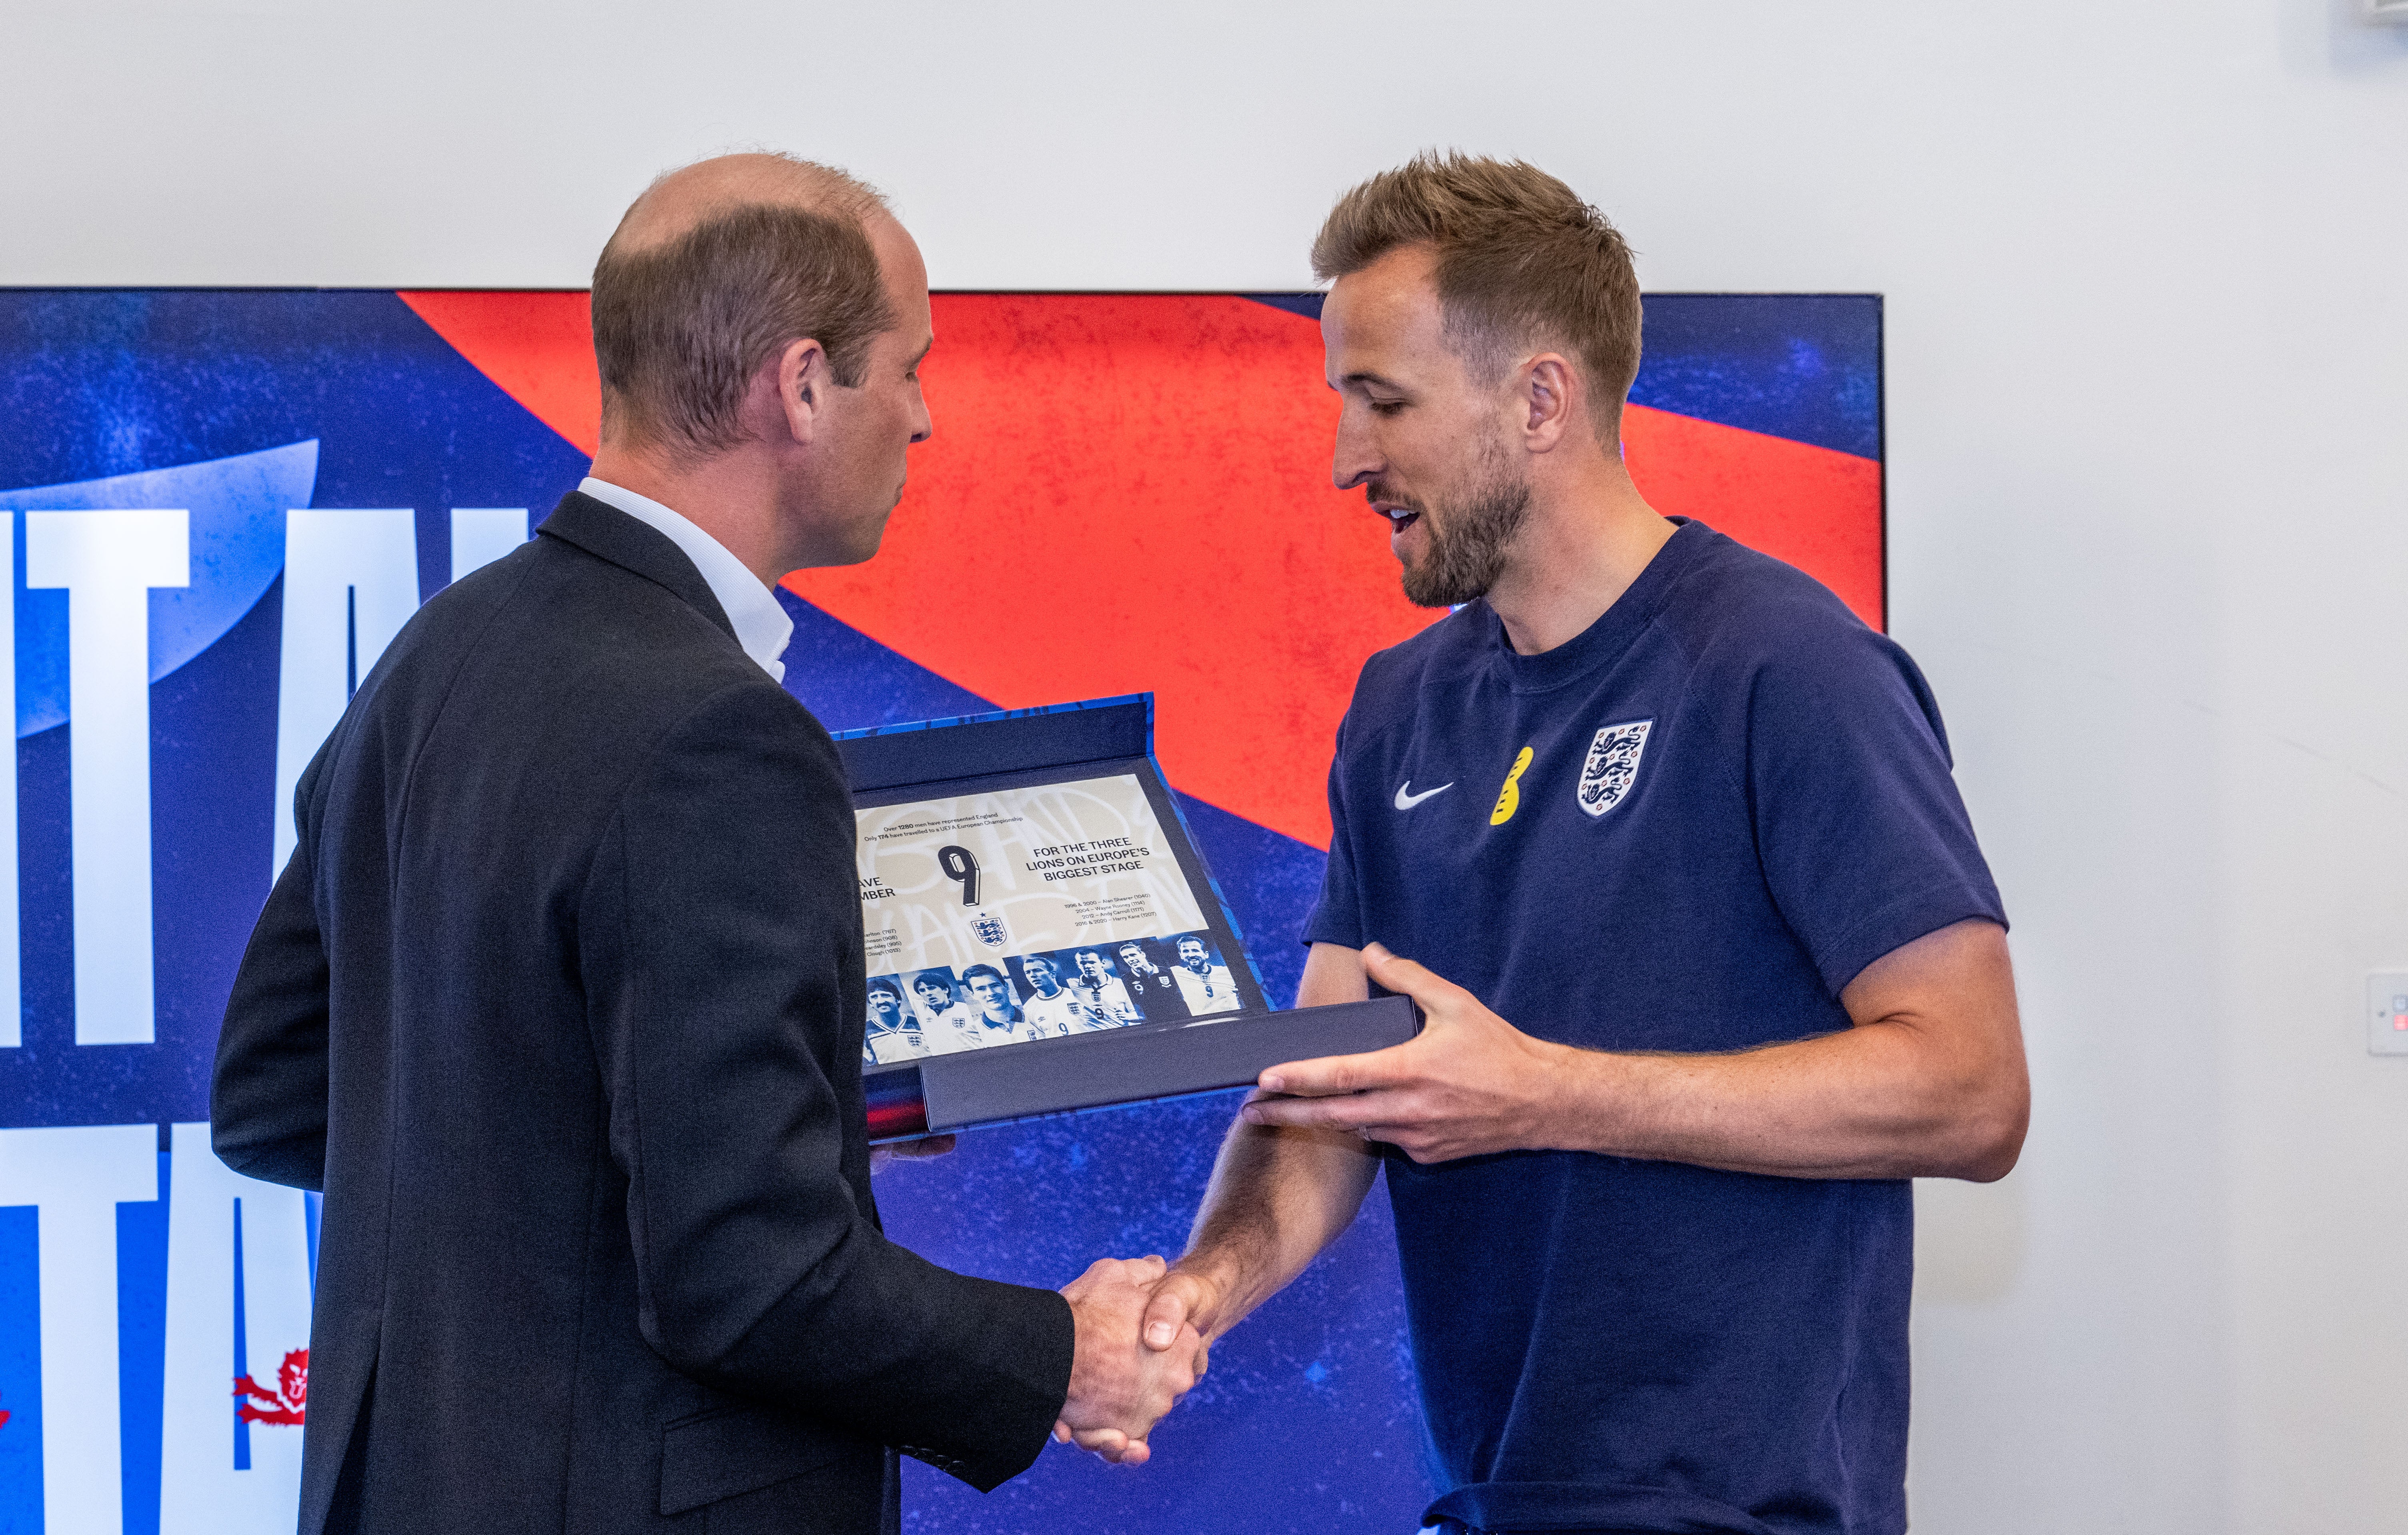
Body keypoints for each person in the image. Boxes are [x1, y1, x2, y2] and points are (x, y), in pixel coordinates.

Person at [210, 152, 1199, 1535]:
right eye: (907, 367)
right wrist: (1059, 1357)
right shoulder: (720, 736)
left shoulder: (439, 654)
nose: (925, 418)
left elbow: (277, 1091)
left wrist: (708, 1118)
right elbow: (751, 1272)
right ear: (799, 385)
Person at [1136, 153, 2028, 1535]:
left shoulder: (1788, 665)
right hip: (1491, 1500)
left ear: (1540, 397)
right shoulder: (1401, 705)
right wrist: (1203, 1284)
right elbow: (1324, 1086)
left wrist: (1547, 1091)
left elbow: (1973, 1088)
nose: (1345, 458)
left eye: (1384, 400)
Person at [960, 963, 1052, 1047]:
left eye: (995, 986)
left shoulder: (1038, 1016)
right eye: (981, 989)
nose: (991, 993)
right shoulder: (972, 1034)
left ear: (1007, 987)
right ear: (972, 994)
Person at [1015, 953, 1094, 1037]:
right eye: (1028, 972)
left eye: (1037, 970)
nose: (1032, 975)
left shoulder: (1077, 994)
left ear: (1053, 974)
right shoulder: (1029, 1008)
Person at [1115, 940, 1189, 1022]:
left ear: (1143, 954)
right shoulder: (1126, 981)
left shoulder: (1168, 972)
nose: (1130, 959)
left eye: (1133, 955)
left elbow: (1185, 997)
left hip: (1181, 1019)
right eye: (1126, 957)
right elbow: (1135, 1011)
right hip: (1155, 1025)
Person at [1168, 935, 1242, 1015]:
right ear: (1181, 956)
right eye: (1186, 951)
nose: (1191, 955)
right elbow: (1154, 968)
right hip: (1205, 1024)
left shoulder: (1227, 972)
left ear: (1206, 954)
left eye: (1195, 950)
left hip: (1235, 1020)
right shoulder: (1177, 973)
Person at [1070, 948, 1144, 1027]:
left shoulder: (1120, 984)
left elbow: (1138, 1014)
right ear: (1078, 965)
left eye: (1092, 963)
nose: (1088, 966)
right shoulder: (1072, 985)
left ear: (1103, 963)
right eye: (1083, 963)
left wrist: (1128, 1016)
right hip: (1091, 1035)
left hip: (1120, 1031)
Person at [864, 978, 927, 1065]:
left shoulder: (918, 1023)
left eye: (885, 996)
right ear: (870, 1004)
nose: (881, 1001)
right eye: (874, 997)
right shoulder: (866, 1031)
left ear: (898, 999)